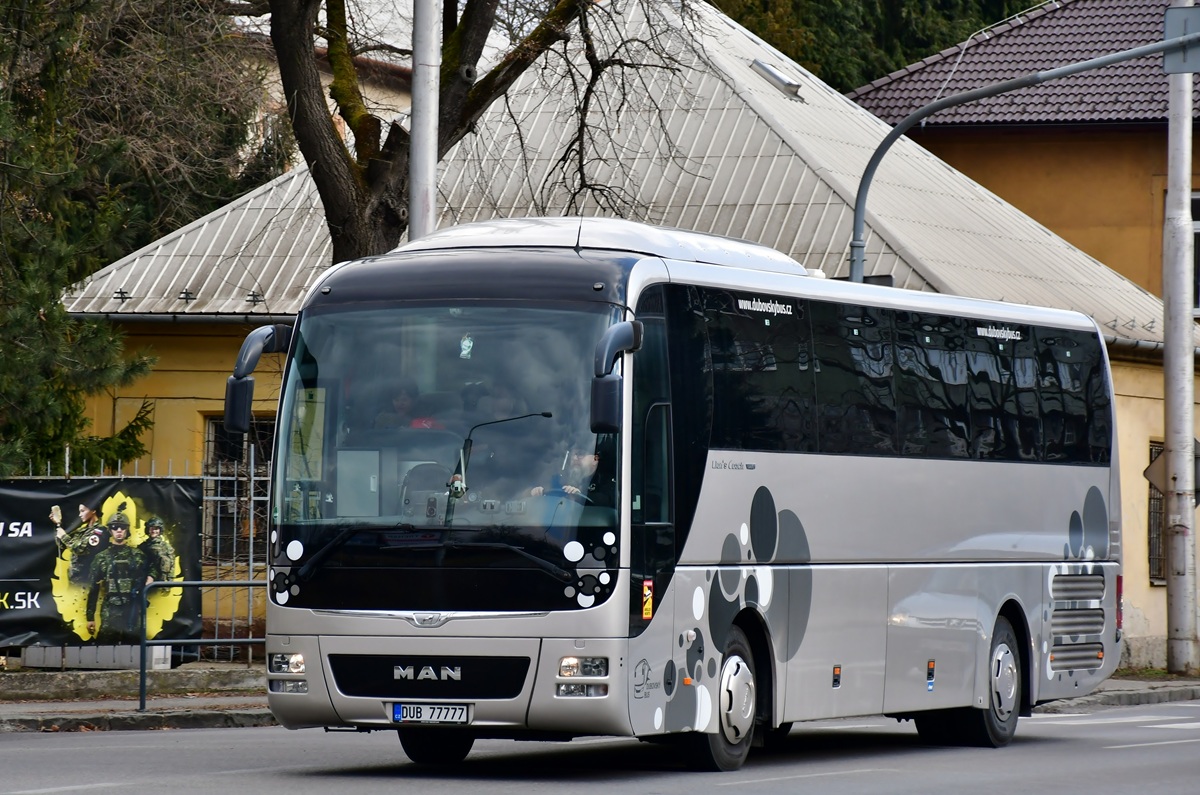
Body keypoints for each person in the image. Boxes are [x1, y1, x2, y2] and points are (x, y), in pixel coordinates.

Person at [85, 513, 148, 645]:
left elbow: (151, 571)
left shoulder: (138, 556)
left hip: (131, 607)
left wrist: (151, 577)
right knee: (105, 645)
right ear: (110, 530)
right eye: (114, 527)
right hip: (110, 608)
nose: (118, 530)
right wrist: (90, 617)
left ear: (127, 530)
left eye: (122, 527)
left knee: (134, 645)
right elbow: (93, 588)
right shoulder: (101, 558)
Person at [54, 503, 108, 586]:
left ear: (93, 510)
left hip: (89, 581)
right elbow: (62, 544)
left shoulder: (99, 531)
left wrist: (63, 536)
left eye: (82, 511)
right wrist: (58, 524)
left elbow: (81, 549)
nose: (80, 515)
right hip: (75, 580)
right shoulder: (82, 530)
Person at [141, 516, 176, 585]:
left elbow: (171, 565)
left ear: (160, 530)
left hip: (160, 581)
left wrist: (169, 583)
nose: (154, 531)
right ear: (148, 529)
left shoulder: (166, 547)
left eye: (156, 529)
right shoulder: (142, 546)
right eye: (152, 528)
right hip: (143, 580)